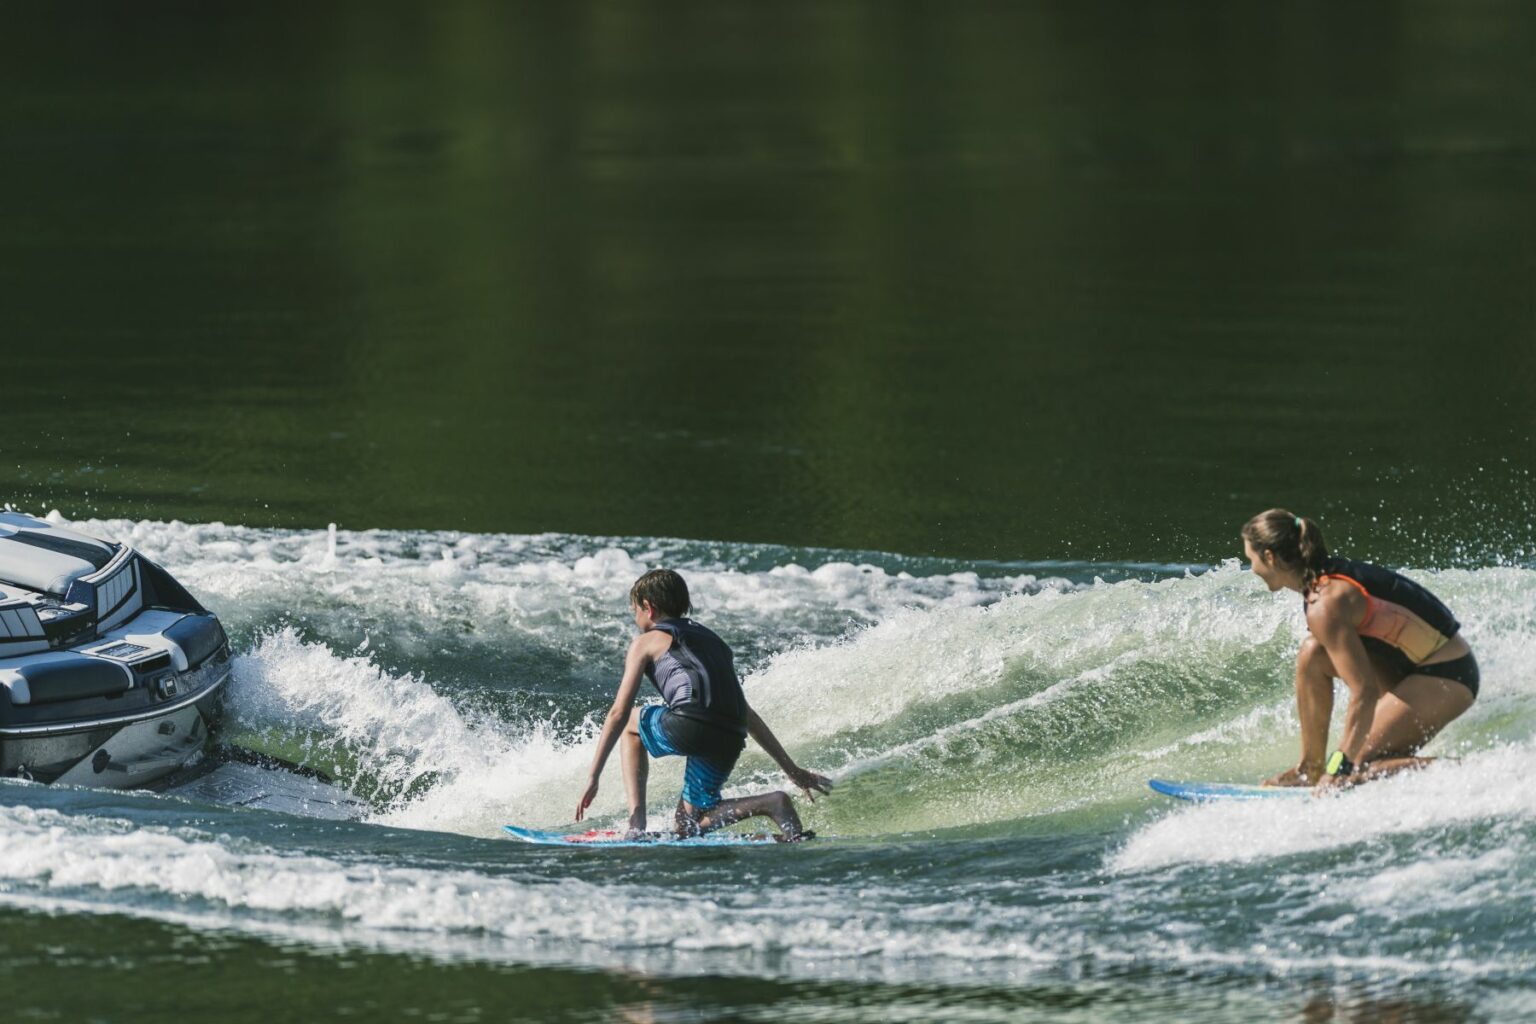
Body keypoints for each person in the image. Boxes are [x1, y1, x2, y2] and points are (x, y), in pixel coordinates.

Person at [575, 568, 832, 839]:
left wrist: (594, 777)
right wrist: (791, 770)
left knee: (630, 723)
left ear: (648, 608)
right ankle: (772, 803)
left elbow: (619, 712)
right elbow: (744, 712)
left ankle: (636, 825)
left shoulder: (645, 642)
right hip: (730, 734)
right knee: (687, 826)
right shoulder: (715, 642)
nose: (635, 616)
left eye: (635, 610)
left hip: (691, 724)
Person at [1241, 509, 1479, 790]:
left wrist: (1341, 763)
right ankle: (1310, 769)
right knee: (1312, 653)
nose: (1252, 567)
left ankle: (1478, 771)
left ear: (1269, 557)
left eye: (1251, 559)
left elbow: (1363, 691)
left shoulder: (1326, 603)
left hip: (1448, 675)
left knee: (1356, 768)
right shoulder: (1320, 583)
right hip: (1411, 669)